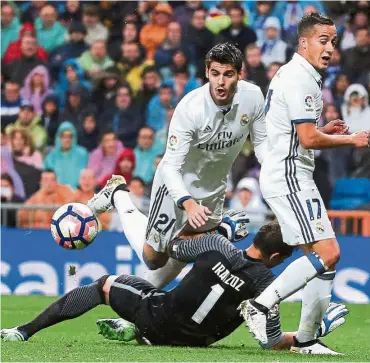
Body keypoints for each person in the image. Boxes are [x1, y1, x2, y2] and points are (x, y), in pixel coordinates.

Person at [0, 222, 348, 349]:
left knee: (103, 284)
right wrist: (311, 332)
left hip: (158, 318)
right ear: (277, 259)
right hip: (196, 343)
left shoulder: (217, 246)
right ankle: (132, 331)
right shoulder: (268, 286)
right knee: (166, 305)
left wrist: (222, 229)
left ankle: (23, 331)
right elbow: (271, 342)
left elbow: (175, 248)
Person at [88, 42, 267, 289]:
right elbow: (170, 166)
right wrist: (188, 202)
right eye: (215, 74)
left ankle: (140, 303)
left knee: (192, 245)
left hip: (213, 187)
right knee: (154, 258)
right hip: (176, 186)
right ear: (207, 73)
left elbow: (263, 146)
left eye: (228, 74)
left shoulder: (253, 98)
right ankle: (118, 195)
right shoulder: (191, 107)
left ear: (240, 74)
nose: (221, 82)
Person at [243, 13, 370, 355]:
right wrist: (352, 139)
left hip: (291, 172)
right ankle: (259, 306)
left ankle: (306, 340)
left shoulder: (298, 75)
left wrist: (325, 131)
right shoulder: (300, 79)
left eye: (332, 41)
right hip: (288, 176)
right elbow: (308, 139)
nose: (329, 48)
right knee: (329, 253)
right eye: (322, 40)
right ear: (304, 42)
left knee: (323, 260)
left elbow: (297, 134)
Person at [44, 121, 88, 189]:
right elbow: (45, 179)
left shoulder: (82, 154)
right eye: (64, 136)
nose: (67, 139)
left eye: (70, 136)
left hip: (78, 193)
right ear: (59, 138)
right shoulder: (52, 156)